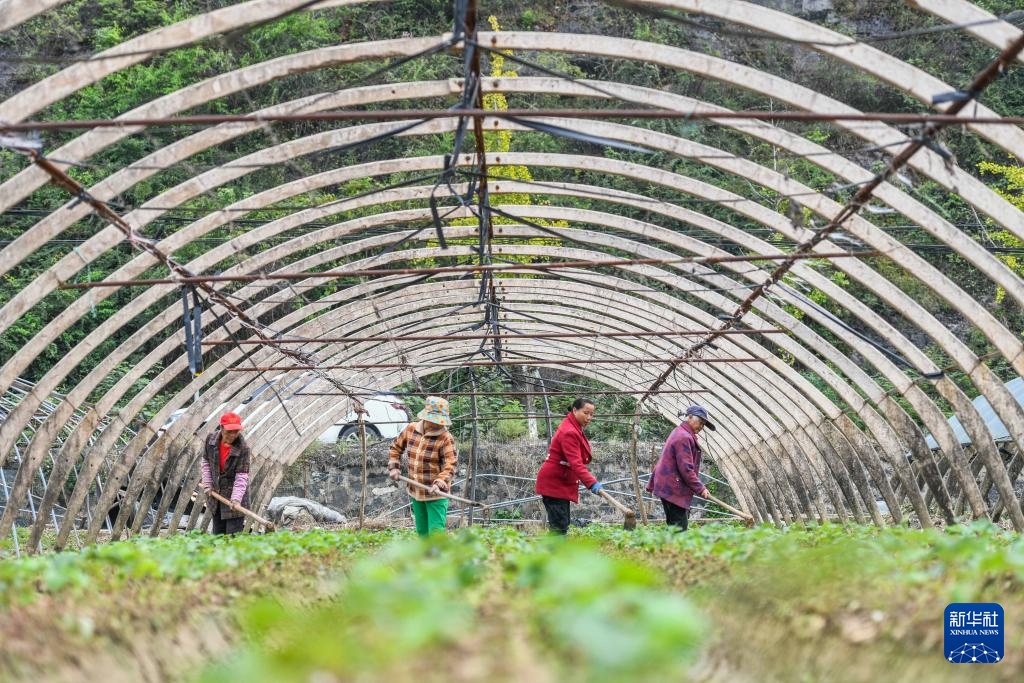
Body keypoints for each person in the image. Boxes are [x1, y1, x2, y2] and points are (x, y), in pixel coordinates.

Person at [388, 396, 458, 537]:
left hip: (436, 494)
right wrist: (394, 467)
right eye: (434, 421)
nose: (438, 424)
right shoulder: (411, 429)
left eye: (440, 421)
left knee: (435, 533)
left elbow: (450, 464)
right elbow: (395, 448)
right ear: (426, 418)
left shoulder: (445, 437)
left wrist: (439, 483)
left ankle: (437, 558)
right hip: (416, 491)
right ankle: (425, 558)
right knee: (422, 532)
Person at [535, 397, 604, 534]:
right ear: (574, 410)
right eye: (586, 413)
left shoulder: (573, 426)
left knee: (561, 524)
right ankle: (553, 554)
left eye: (591, 414)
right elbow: (576, 463)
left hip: (559, 483)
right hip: (555, 484)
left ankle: (555, 553)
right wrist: (592, 484)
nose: (589, 417)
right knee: (559, 527)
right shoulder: (570, 432)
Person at [647, 405, 714, 531]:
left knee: (675, 526)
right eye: (700, 422)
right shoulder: (683, 437)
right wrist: (701, 488)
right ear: (689, 417)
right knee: (679, 528)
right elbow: (686, 469)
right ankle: (675, 550)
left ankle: (670, 549)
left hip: (669, 486)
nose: (701, 427)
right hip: (672, 487)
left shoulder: (681, 433)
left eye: (703, 424)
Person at [200, 412, 251, 535]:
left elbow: (241, 476)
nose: (233, 435)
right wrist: (207, 483)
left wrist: (236, 499)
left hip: (235, 498)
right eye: (229, 431)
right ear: (221, 428)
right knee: (218, 534)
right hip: (217, 497)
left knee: (232, 537)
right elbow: (206, 462)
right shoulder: (210, 441)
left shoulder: (243, 448)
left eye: (236, 431)